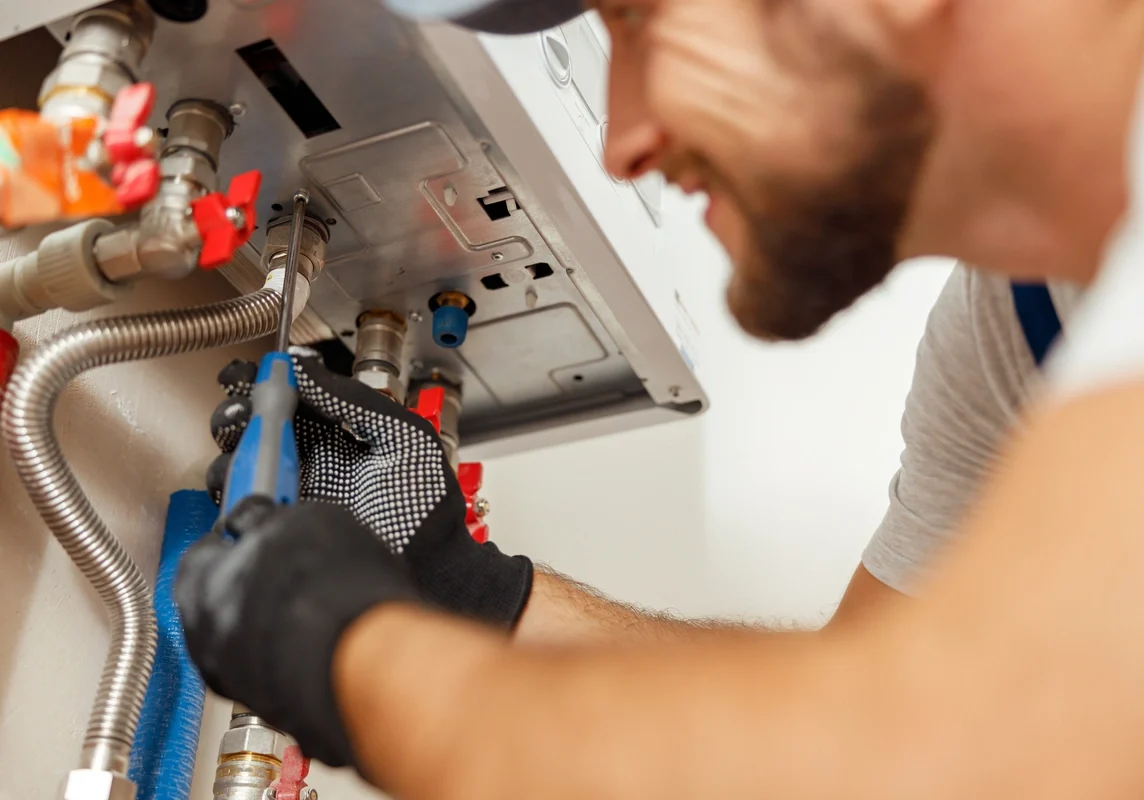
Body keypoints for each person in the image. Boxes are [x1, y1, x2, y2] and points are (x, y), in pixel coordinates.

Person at [176, 0, 1144, 797]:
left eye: (637, 21)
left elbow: (932, 764)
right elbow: (831, 743)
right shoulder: (1011, 341)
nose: (622, 139)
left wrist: (345, 648)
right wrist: (458, 586)